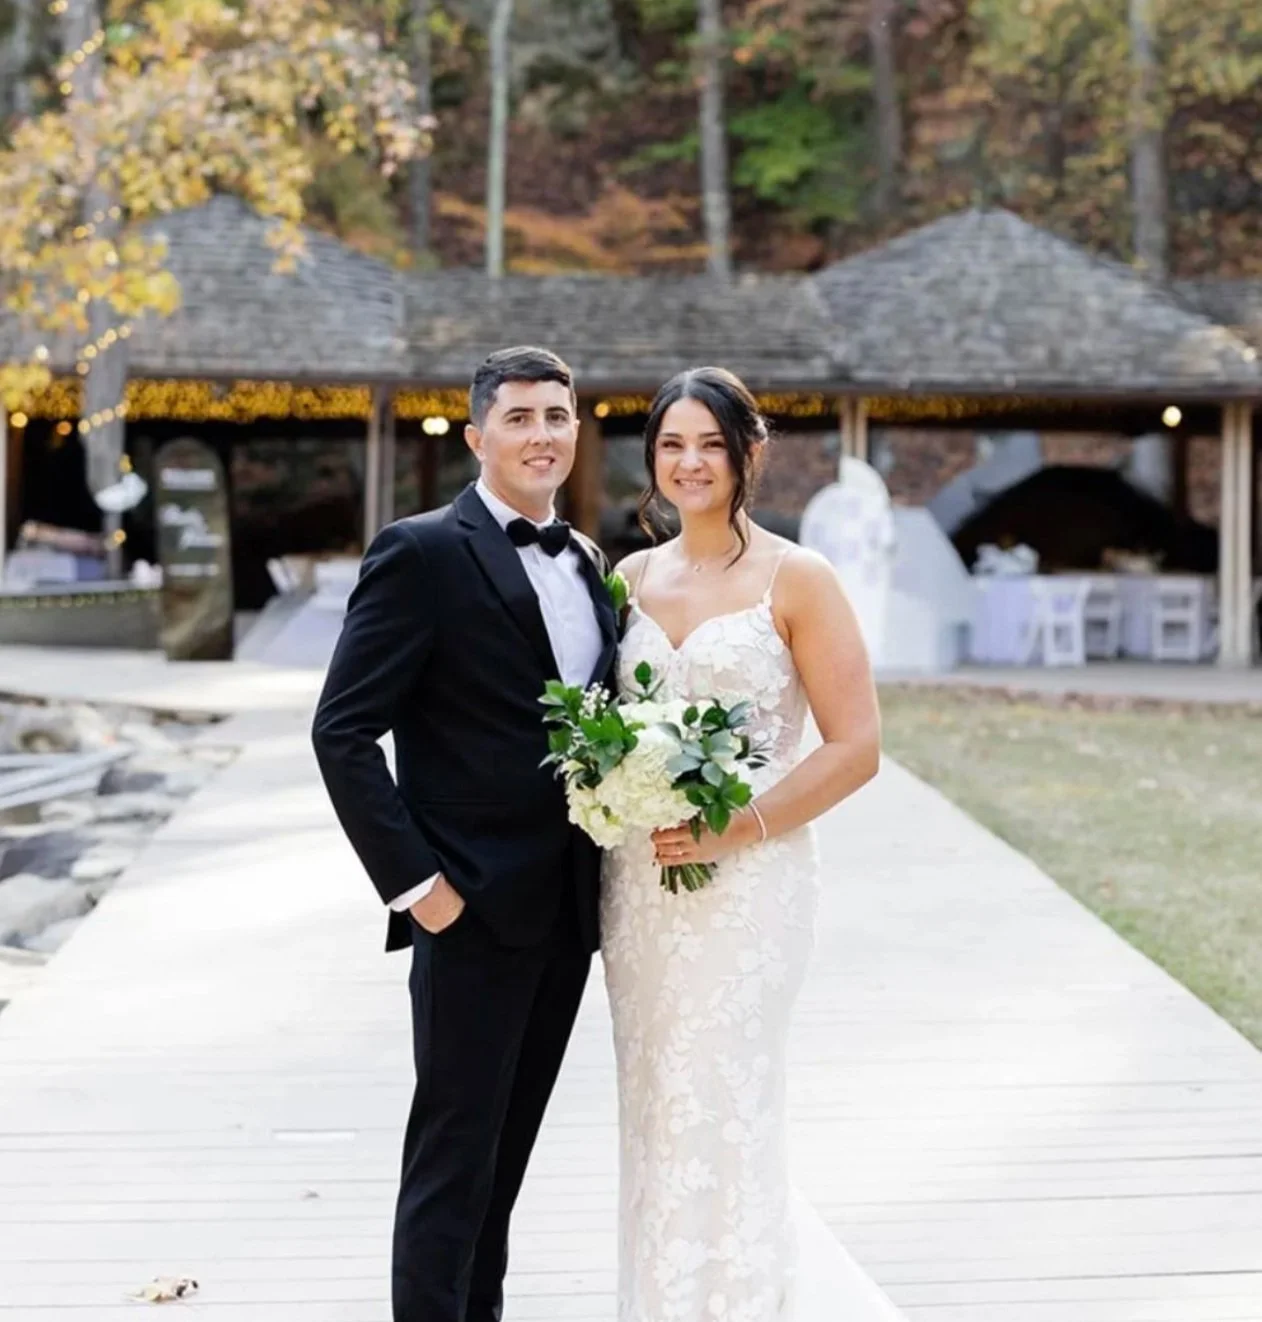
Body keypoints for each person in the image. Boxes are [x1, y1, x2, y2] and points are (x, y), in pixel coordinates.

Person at [311, 346, 618, 1322]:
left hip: (569, 910)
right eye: (520, 417)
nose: (541, 435)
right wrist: (418, 888)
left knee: (506, 1158)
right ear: (478, 433)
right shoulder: (421, 550)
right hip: (468, 907)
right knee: (451, 1162)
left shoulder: (588, 561)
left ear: (576, 430)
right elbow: (342, 728)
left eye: (557, 416)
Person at [602, 366, 903, 1319]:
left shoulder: (797, 577)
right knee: (655, 1107)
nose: (691, 463)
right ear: (652, 458)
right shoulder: (629, 580)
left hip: (753, 885)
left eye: (711, 445)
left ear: (749, 455)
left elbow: (858, 747)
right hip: (642, 890)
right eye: (672, 445)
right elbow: (602, 730)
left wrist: (734, 827)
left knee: (727, 1104)